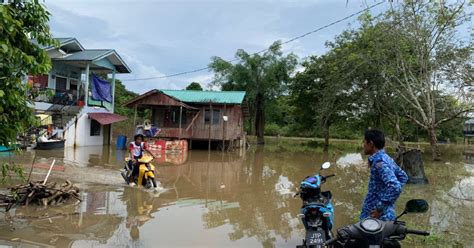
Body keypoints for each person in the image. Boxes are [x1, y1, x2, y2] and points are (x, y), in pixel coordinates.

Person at [360, 129, 408, 221]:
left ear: (371, 143)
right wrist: (388, 200)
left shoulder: (380, 162)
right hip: (384, 213)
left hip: (376, 218)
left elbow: (395, 187)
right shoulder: (386, 158)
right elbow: (403, 177)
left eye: (364, 142)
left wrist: (380, 208)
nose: (363, 146)